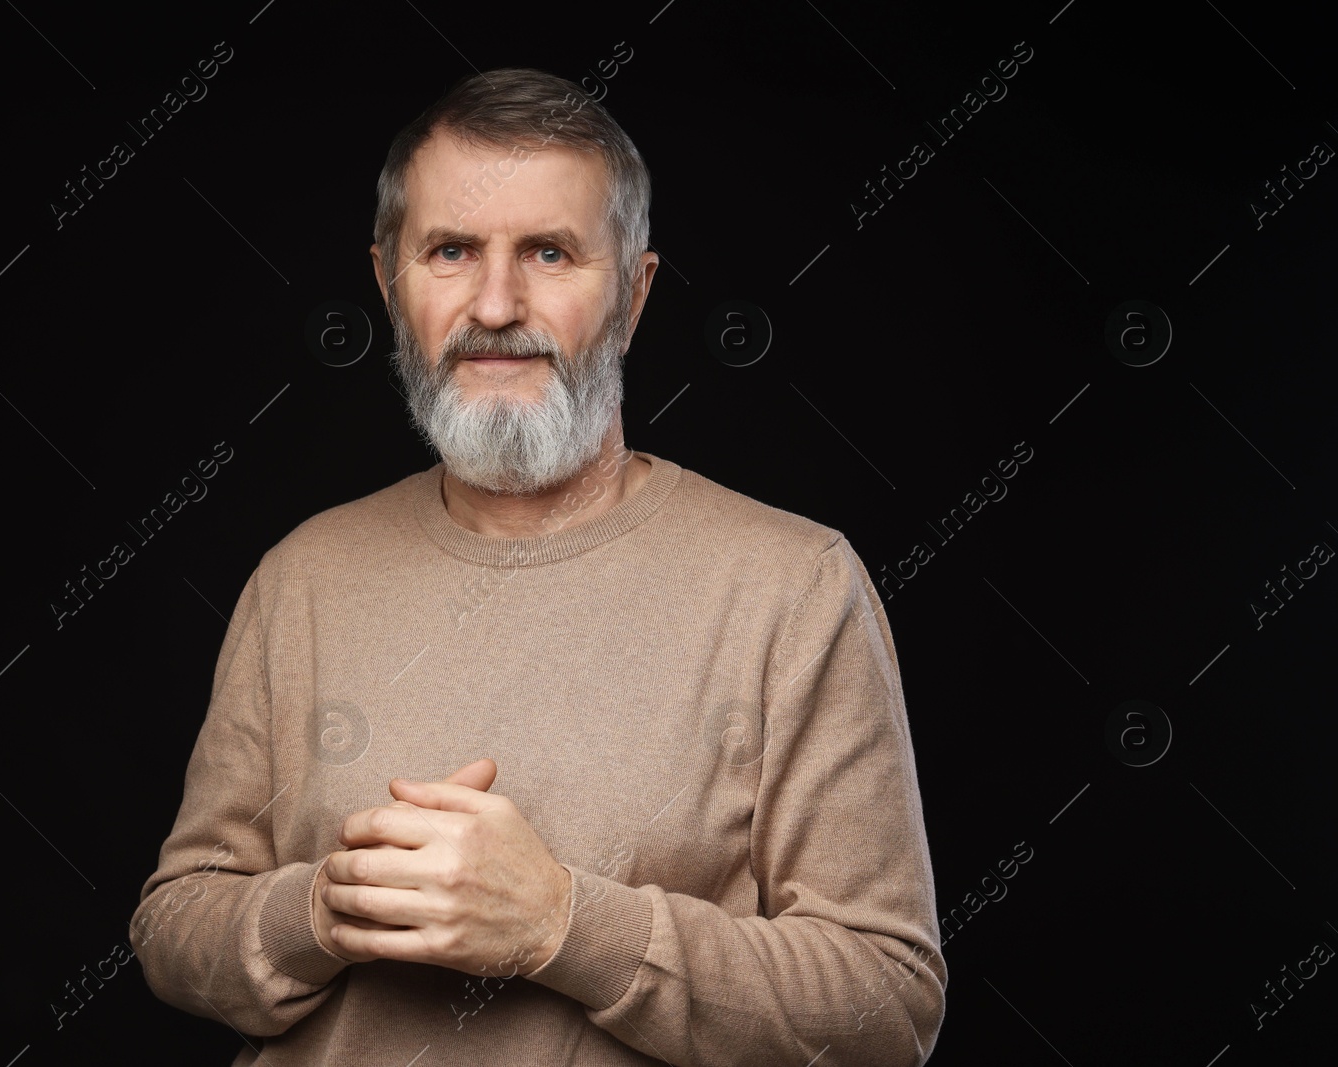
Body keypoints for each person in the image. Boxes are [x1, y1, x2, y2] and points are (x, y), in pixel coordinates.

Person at [131, 67, 946, 1065]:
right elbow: (174, 926)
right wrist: (318, 909)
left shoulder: (796, 587)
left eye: (550, 252)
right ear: (391, 285)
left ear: (635, 293)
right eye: (451, 251)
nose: (497, 302)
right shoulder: (300, 573)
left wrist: (562, 921)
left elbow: (886, 1006)